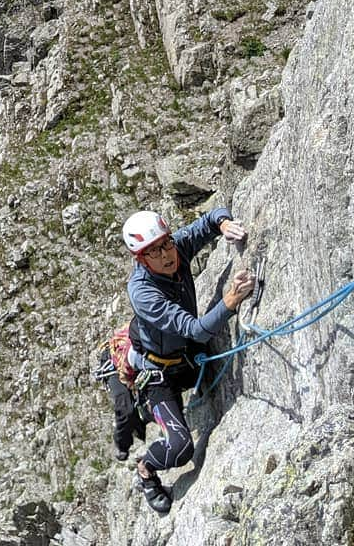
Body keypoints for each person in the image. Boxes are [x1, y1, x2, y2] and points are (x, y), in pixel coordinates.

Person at [117, 208, 254, 514]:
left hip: (185, 356)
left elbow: (208, 221)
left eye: (166, 244)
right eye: (154, 252)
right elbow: (196, 331)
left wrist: (224, 223)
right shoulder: (143, 291)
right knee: (180, 449)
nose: (166, 255)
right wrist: (230, 302)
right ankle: (145, 469)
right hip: (158, 374)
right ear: (141, 259)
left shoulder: (176, 248)